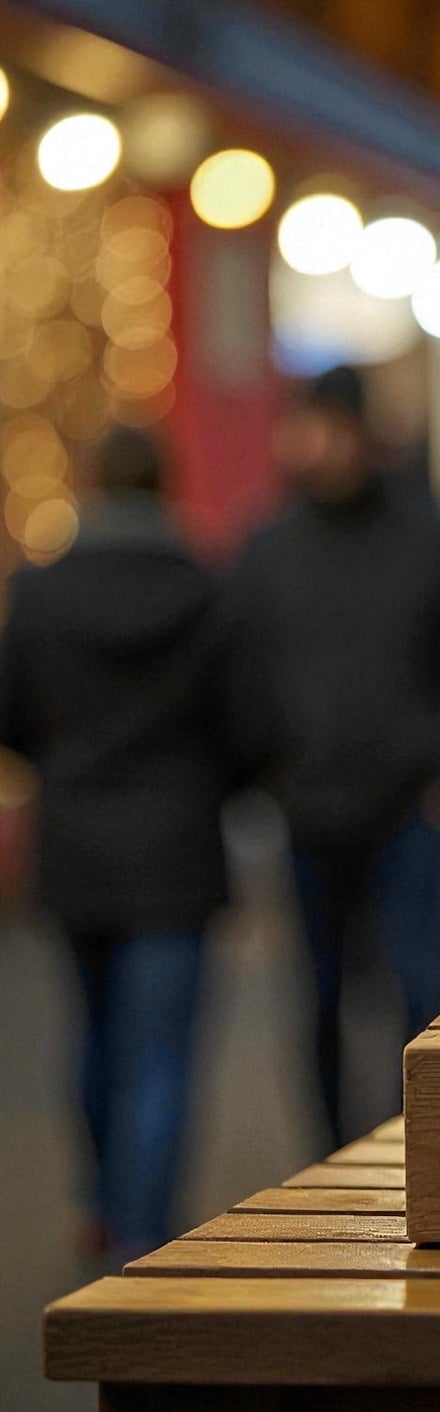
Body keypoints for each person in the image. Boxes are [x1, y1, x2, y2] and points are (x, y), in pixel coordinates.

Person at [229, 366, 440, 1148]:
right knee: (319, 995)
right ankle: (328, 1153)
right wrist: (266, 767)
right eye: (309, 428)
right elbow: (240, 669)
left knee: (417, 984)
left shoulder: (424, 538)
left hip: (408, 806)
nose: (321, 446)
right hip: (306, 807)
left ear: (364, 436)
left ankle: (419, 1144)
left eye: (336, 428)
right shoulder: (266, 548)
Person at [0, 427, 240, 1263]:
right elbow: (243, 722)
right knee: (161, 1051)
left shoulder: (39, 592)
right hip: (176, 845)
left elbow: (11, 715)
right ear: (165, 489)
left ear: (93, 486)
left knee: (93, 1035)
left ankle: (103, 1207)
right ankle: (145, 1229)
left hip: (75, 846)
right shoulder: (208, 593)